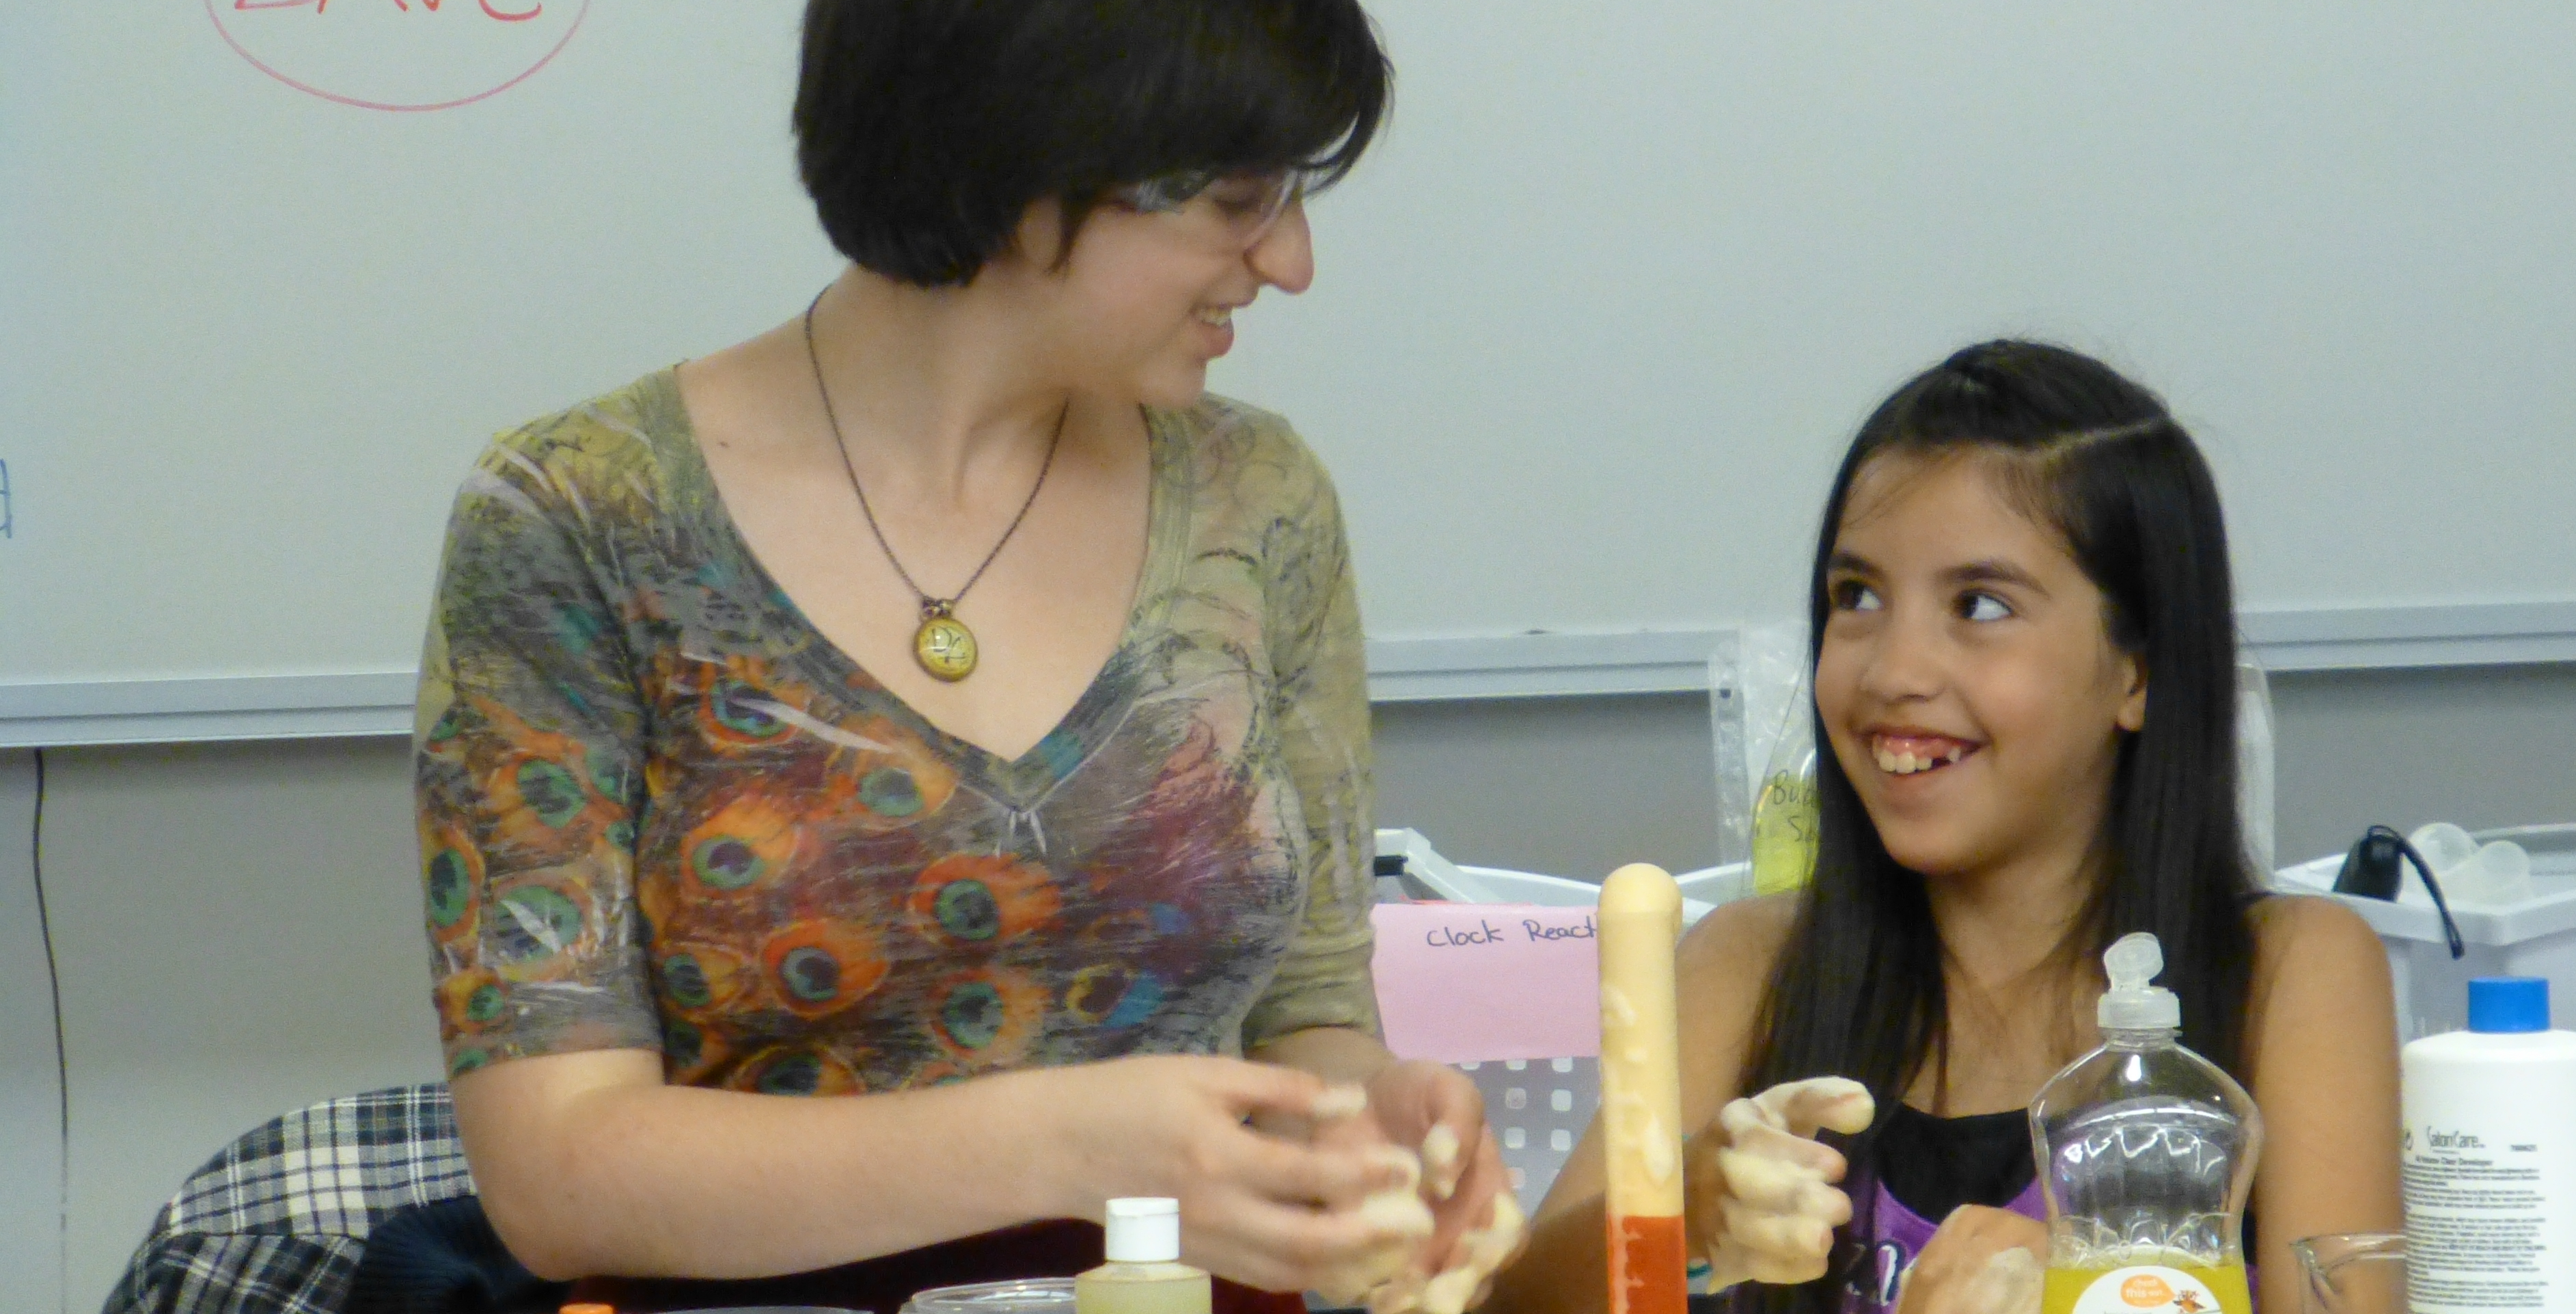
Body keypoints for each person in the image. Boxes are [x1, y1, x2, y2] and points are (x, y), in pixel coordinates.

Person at [412, 2, 1507, 1308]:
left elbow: (1310, 1015)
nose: (1290, 261)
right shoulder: (581, 514)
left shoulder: (1256, 497)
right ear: (1030, 160)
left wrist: (1380, 1120)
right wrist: (1071, 1147)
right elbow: (556, 1175)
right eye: (1237, 199)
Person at [1488, 341, 2401, 1314]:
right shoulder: (1746, 967)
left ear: (2137, 671)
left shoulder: (2294, 972)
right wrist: (1682, 1226)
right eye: (1858, 598)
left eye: (1979, 605)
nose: (1892, 671)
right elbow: (1506, 1306)